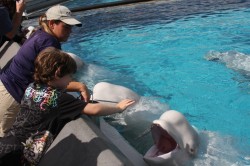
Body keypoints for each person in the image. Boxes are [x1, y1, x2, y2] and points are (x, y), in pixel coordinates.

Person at [0, 47, 135, 165]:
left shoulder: (32, 87)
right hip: (22, 154)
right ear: (58, 73)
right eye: (70, 75)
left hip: (8, 141)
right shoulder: (59, 99)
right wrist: (118, 107)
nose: (71, 80)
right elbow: (94, 109)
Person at [0, 5, 90, 137]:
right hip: (12, 95)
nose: (70, 31)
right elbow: (51, 80)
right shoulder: (49, 43)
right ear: (52, 23)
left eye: (71, 27)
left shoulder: (41, 34)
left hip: (7, 87)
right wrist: (80, 86)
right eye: (66, 27)